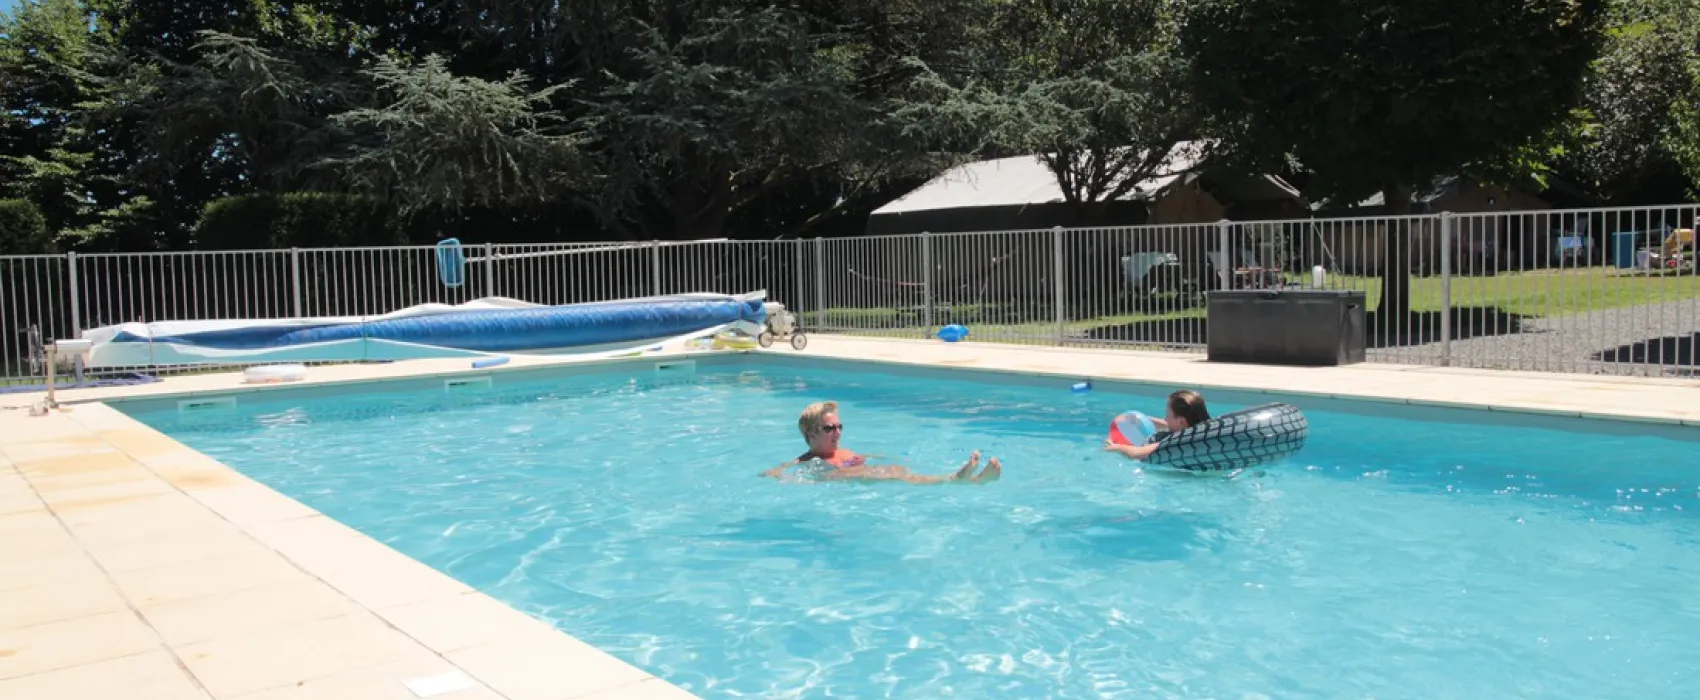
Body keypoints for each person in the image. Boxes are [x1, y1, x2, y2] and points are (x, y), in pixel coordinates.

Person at [762, 401, 1002, 484]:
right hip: (855, 480)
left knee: (897, 470)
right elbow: (772, 472)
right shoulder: (808, 460)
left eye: (839, 427)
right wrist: (787, 477)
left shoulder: (844, 451)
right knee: (892, 474)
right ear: (811, 434)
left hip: (867, 473)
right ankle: (954, 479)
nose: (837, 432)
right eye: (829, 428)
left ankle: (965, 480)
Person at [1103, 389, 1211, 461]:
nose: (1165, 419)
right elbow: (1173, 426)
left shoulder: (1174, 442)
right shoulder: (1200, 430)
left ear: (1181, 421)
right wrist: (1146, 419)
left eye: (1167, 415)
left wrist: (1116, 447)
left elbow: (1136, 454)